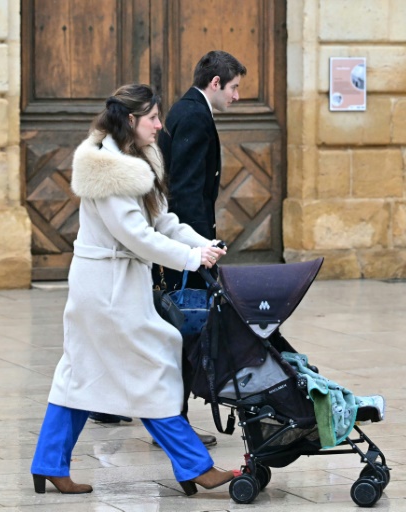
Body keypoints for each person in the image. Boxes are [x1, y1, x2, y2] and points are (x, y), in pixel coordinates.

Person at [30, 83, 232, 496]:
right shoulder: (110, 169)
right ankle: (194, 465)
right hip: (107, 289)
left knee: (80, 372)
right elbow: (137, 236)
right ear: (130, 121)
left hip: (109, 286)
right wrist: (190, 260)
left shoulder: (132, 159)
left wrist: (200, 243)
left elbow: (162, 221)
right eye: (153, 118)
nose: (161, 124)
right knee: (153, 366)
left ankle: (48, 462)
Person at [155, 50, 246, 442]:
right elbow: (187, 190)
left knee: (178, 331)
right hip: (185, 247)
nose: (237, 96)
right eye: (235, 88)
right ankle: (172, 422)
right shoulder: (193, 114)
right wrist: (199, 250)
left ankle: (163, 418)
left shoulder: (190, 109)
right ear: (215, 84)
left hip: (185, 241)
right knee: (184, 332)